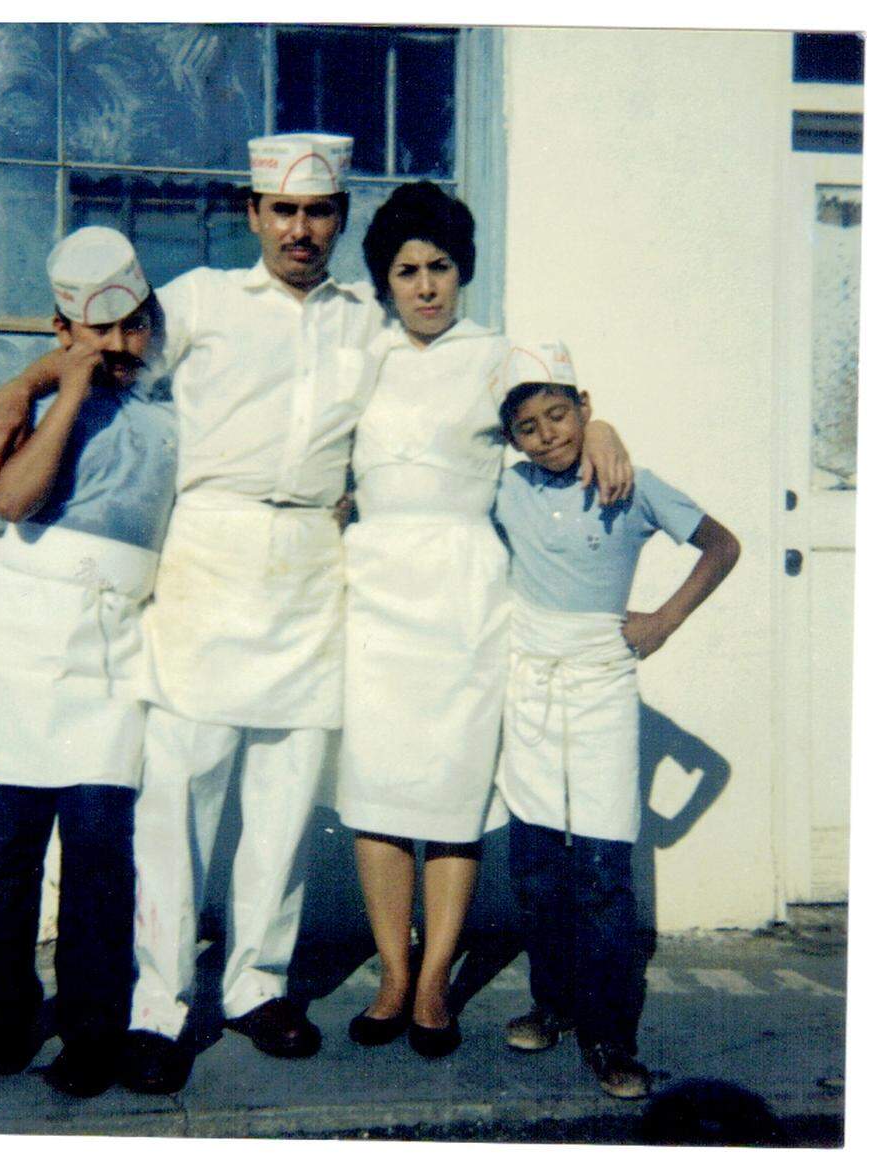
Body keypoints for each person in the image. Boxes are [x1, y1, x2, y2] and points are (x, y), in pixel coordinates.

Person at [0, 133, 385, 1095]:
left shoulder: (367, 319)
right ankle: (159, 1006)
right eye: (281, 211)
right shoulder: (196, 299)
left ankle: (257, 985)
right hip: (207, 554)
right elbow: (98, 350)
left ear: (340, 218)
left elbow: (464, 381)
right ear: (252, 214)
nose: (299, 230)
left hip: (313, 566)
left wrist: (597, 419)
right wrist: (21, 382)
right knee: (178, 800)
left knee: (284, 797)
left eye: (318, 212)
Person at [335, 183, 633, 1059]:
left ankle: (435, 987)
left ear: (461, 271)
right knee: (377, 789)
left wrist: (606, 422)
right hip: (374, 585)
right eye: (406, 271)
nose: (425, 286)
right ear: (384, 281)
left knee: (453, 790)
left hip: (464, 589)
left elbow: (558, 414)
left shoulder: (494, 354)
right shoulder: (364, 352)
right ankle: (394, 973)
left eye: (440, 268)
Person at [0, 227, 177, 1098]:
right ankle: (5, 1011)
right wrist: (57, 382)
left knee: (97, 851)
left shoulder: (173, 388)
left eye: (133, 326)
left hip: (115, 653)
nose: (119, 346)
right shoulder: (48, 405)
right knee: (5, 850)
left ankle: (90, 1029)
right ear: (60, 328)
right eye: (95, 332)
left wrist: (49, 369)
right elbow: (15, 497)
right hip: (25, 644)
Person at [492, 343, 740, 1098]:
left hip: (602, 680)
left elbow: (722, 544)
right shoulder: (506, 489)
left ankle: (611, 1037)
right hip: (527, 682)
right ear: (512, 439)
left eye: (561, 415)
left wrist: (664, 620)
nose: (549, 435)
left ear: (585, 406)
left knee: (602, 873)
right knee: (535, 867)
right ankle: (554, 1002)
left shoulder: (631, 486)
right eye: (528, 426)